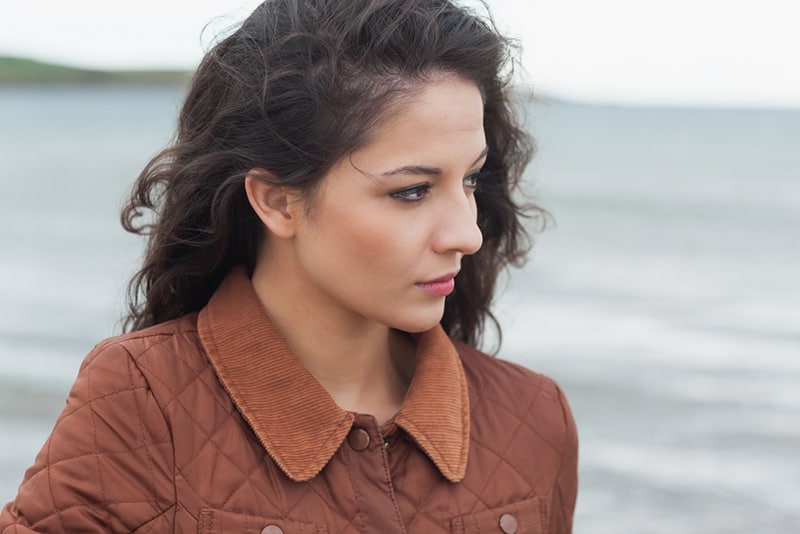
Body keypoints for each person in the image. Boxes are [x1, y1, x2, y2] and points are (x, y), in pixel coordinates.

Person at [1, 0, 578, 532]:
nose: (468, 234)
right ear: (277, 201)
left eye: (471, 178)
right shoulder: (142, 399)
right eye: (412, 191)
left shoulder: (534, 418)